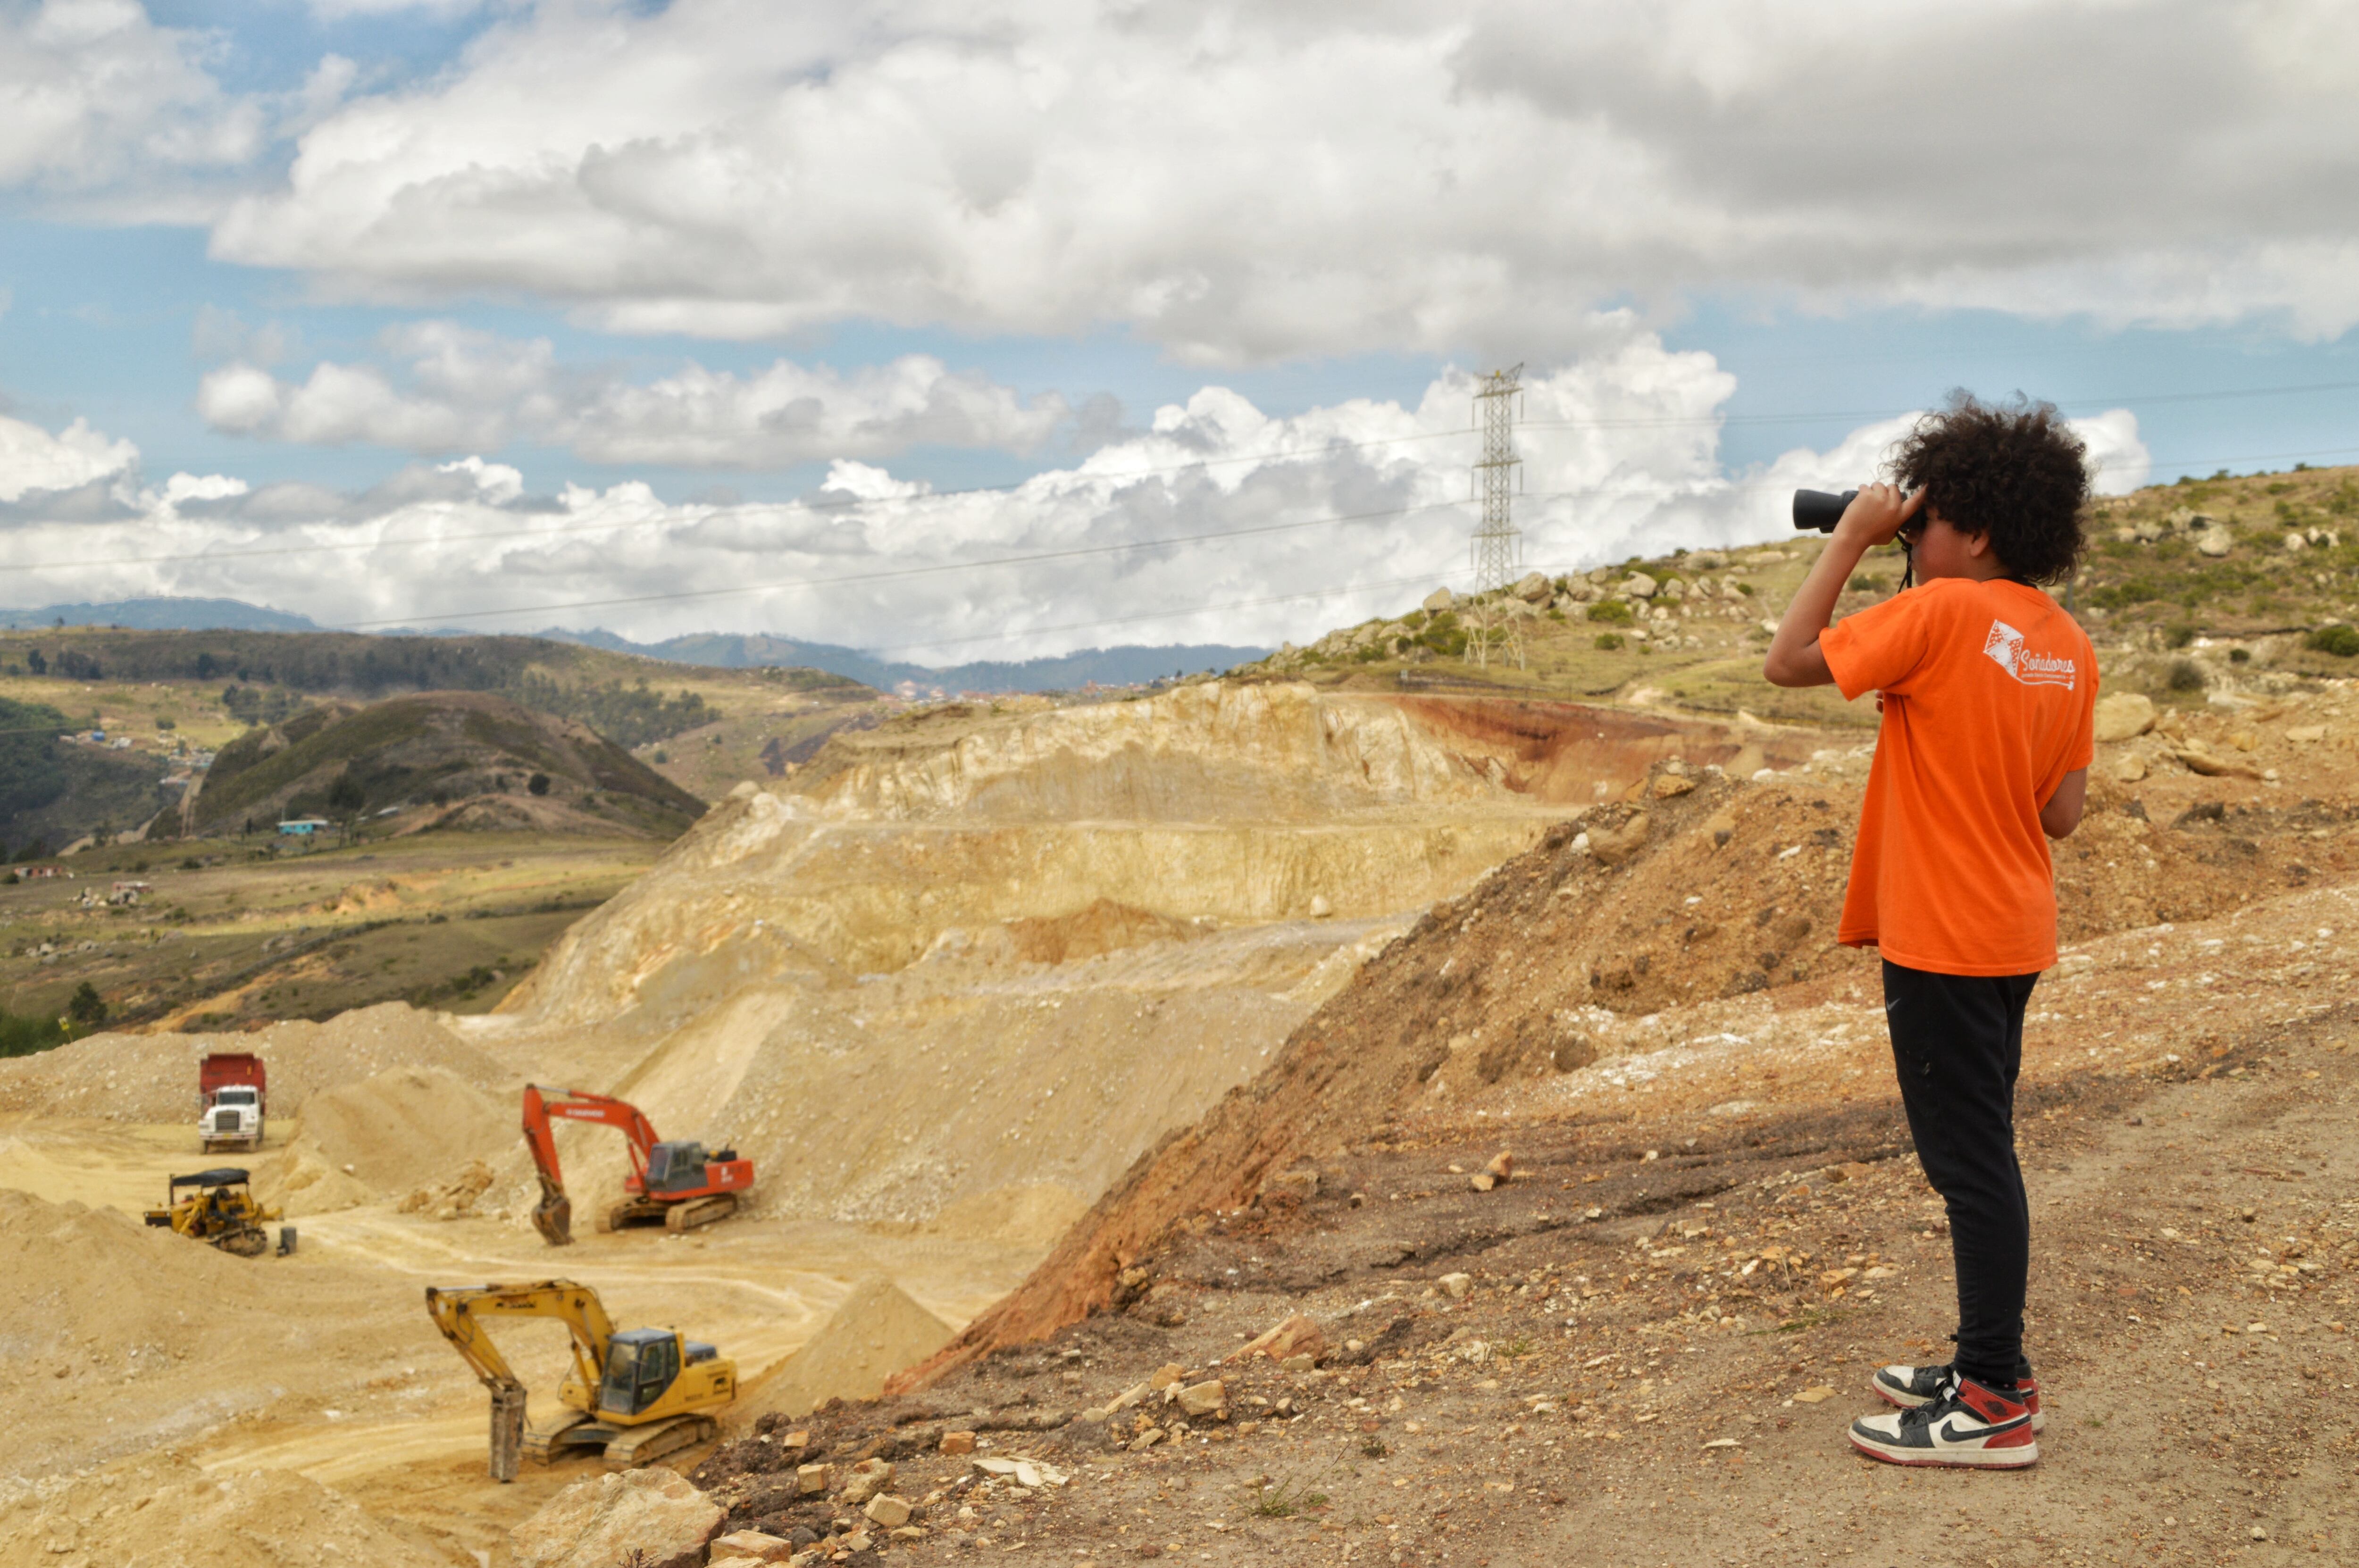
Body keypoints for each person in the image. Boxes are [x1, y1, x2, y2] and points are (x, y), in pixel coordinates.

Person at [1763, 394, 2097, 1469]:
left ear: (1979, 532)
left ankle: (1994, 1398)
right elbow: (2061, 812)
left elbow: (1790, 660)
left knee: (1970, 1164)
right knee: (1980, 1149)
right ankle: (1985, 1362)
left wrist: (1855, 539)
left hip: (1942, 934)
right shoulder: (2065, 644)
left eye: (1924, 523)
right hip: (2011, 926)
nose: (1913, 537)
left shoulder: (1942, 617)